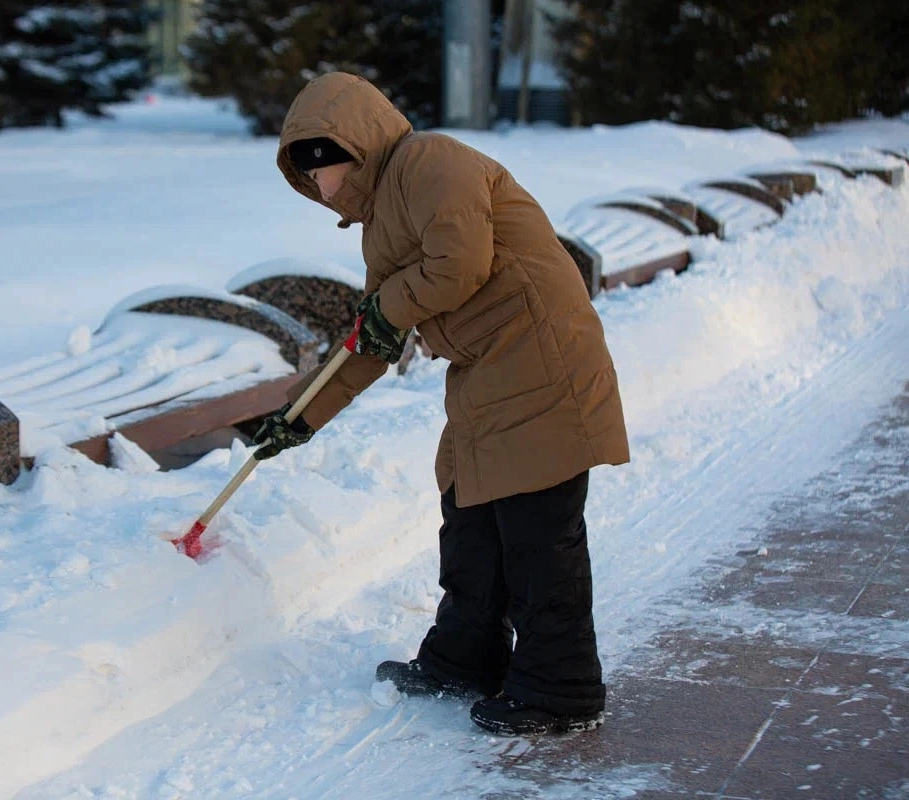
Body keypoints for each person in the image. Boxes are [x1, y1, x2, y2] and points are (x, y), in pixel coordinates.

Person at [251, 72, 630, 737]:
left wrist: (386, 309)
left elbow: (461, 265)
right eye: (304, 170)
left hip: (541, 356)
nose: (318, 182)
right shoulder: (378, 227)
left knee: (538, 533)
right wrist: (299, 416)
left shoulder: (433, 162)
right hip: (487, 374)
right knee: (469, 516)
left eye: (324, 160)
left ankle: (560, 687)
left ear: (360, 144)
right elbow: (373, 336)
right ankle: (465, 657)